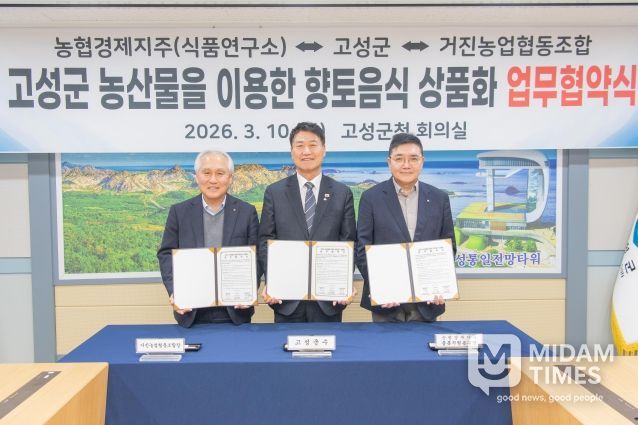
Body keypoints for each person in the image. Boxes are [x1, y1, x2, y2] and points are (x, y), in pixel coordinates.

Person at [258, 122, 357, 322]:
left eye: (313, 145)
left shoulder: (342, 193)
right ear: (291, 151)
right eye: (300, 145)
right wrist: (273, 281)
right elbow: (265, 241)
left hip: (329, 300)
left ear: (324, 150)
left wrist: (344, 282)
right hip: (286, 299)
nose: (306, 152)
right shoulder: (275, 192)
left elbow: (349, 242)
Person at [355, 133, 456, 322]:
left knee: (425, 343)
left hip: (428, 302)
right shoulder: (371, 198)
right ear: (389, 162)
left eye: (413, 159)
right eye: (399, 159)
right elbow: (362, 249)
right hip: (386, 303)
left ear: (422, 161)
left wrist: (440, 284)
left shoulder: (439, 198)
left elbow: (448, 247)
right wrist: (380, 287)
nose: (406, 165)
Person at [157, 150, 259, 327]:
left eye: (220, 173)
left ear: (230, 178)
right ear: (197, 177)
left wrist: (249, 291)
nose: (213, 180)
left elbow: (257, 256)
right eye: (206, 173)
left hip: (235, 311)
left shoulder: (247, 212)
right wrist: (175, 290)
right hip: (191, 311)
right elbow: (166, 254)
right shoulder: (179, 212)